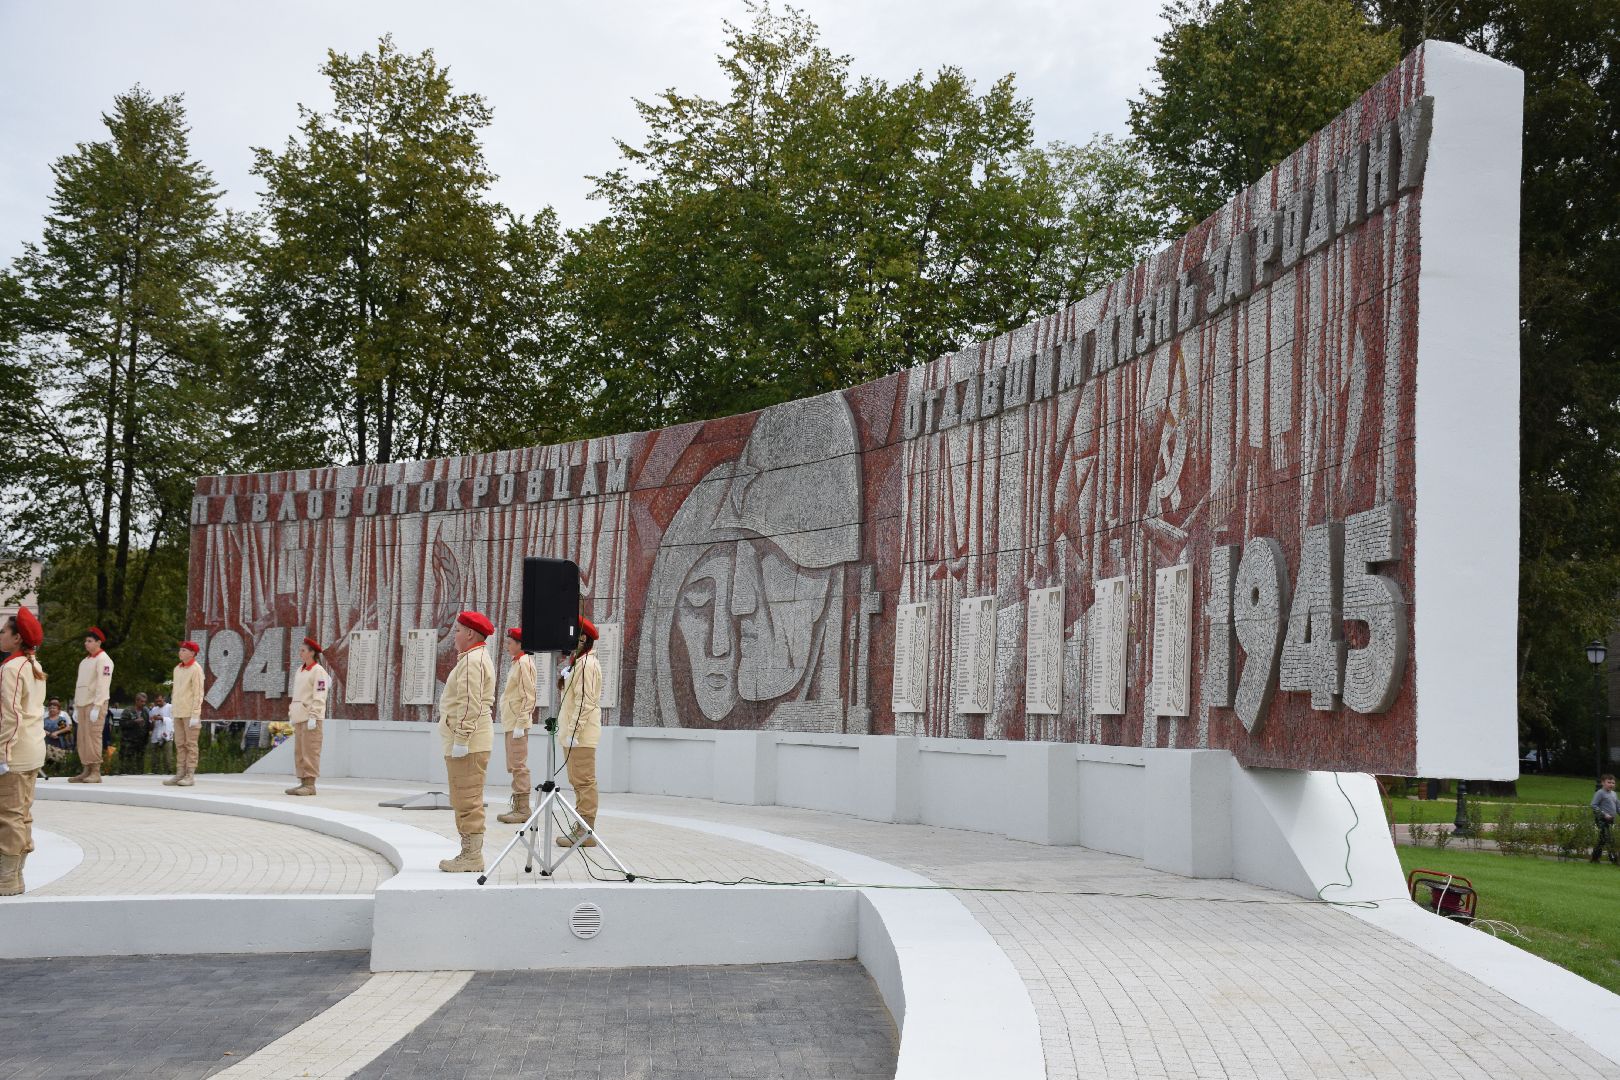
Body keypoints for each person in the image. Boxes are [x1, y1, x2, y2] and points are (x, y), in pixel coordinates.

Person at [438, 611, 496, 873]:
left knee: (468, 799)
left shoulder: (473, 660)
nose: (455, 637)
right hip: (467, 739)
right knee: (462, 797)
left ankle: (472, 856)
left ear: (470, 634)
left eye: (458, 631)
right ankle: (468, 852)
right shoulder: (472, 658)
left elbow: (469, 703)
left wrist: (461, 738)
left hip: (469, 742)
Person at [0, 608, 47, 895]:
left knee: (7, 814)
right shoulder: (33, 665)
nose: (1, 635)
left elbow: (10, 715)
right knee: (22, 814)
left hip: (15, 752)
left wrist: (2, 754)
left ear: (17, 638)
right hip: (32, 749)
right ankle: (16, 877)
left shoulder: (11, 668)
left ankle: (6, 880)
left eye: (5, 631)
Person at [556, 618, 602, 848]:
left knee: (584, 781)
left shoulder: (586, 665)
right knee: (577, 781)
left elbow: (585, 701)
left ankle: (585, 830)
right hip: (573, 733)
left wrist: (575, 730)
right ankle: (581, 826)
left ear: (583, 639)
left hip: (581, 734)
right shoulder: (577, 662)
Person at [496, 629, 538, 825]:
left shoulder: (524, 663)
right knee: (514, 763)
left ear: (520, 644)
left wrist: (521, 722)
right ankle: (519, 806)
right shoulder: (517, 663)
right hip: (512, 721)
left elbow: (528, 695)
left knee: (519, 764)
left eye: (511, 642)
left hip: (517, 722)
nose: (508, 645)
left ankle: (523, 809)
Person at [284, 638, 329, 796]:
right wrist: (292, 712)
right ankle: (302, 781)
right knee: (300, 752)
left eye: (303, 650)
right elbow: (297, 694)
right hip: (299, 716)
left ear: (312, 652)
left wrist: (314, 715)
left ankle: (310, 784)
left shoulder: (318, 671)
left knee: (311, 751)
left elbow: (320, 694)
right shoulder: (300, 670)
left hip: (311, 718)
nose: (300, 653)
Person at [70, 627, 113, 783]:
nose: (86, 643)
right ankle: (86, 768)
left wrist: (97, 706)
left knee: (94, 736)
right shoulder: (85, 661)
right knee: (82, 738)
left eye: (89, 641)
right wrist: (75, 706)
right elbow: (79, 685)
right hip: (82, 703)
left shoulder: (104, 660)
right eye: (85, 640)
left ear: (98, 642)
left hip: (95, 703)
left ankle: (95, 771)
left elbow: (103, 684)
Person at [165, 644, 205, 787]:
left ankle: (190, 774)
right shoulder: (177, 669)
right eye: (180, 649)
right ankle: (180, 772)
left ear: (193, 653)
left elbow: (198, 692)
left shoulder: (196, 669)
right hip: (179, 712)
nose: (180, 652)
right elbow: (176, 691)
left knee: (191, 744)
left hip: (190, 713)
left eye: (184, 650)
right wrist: (173, 708)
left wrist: (196, 713)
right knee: (180, 744)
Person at [117, 694, 152, 773]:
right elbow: (122, 723)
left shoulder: (145, 712)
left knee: (140, 765)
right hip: (128, 743)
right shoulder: (128, 711)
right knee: (126, 765)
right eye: (142, 701)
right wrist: (134, 722)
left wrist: (152, 723)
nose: (143, 703)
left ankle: (139, 779)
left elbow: (147, 726)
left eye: (145, 702)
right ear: (136, 701)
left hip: (141, 743)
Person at [1592, 774, 1618, 864]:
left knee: (1602, 839)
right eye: (1609, 782)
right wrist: (1604, 814)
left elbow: (1617, 806)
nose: (1611, 784)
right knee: (1608, 837)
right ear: (1603, 783)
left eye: (1613, 783)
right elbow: (1594, 805)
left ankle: (1595, 858)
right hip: (1602, 819)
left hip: (1611, 819)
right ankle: (1614, 859)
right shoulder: (1600, 793)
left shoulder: (1614, 794)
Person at [149, 692, 174, 775]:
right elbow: (151, 724)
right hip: (156, 735)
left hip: (167, 735)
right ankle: (155, 772)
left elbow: (173, 721)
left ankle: (168, 772)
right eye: (156, 701)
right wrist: (152, 721)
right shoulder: (154, 709)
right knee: (154, 758)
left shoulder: (170, 707)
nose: (158, 702)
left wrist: (161, 718)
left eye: (160, 700)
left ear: (163, 698)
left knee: (167, 757)